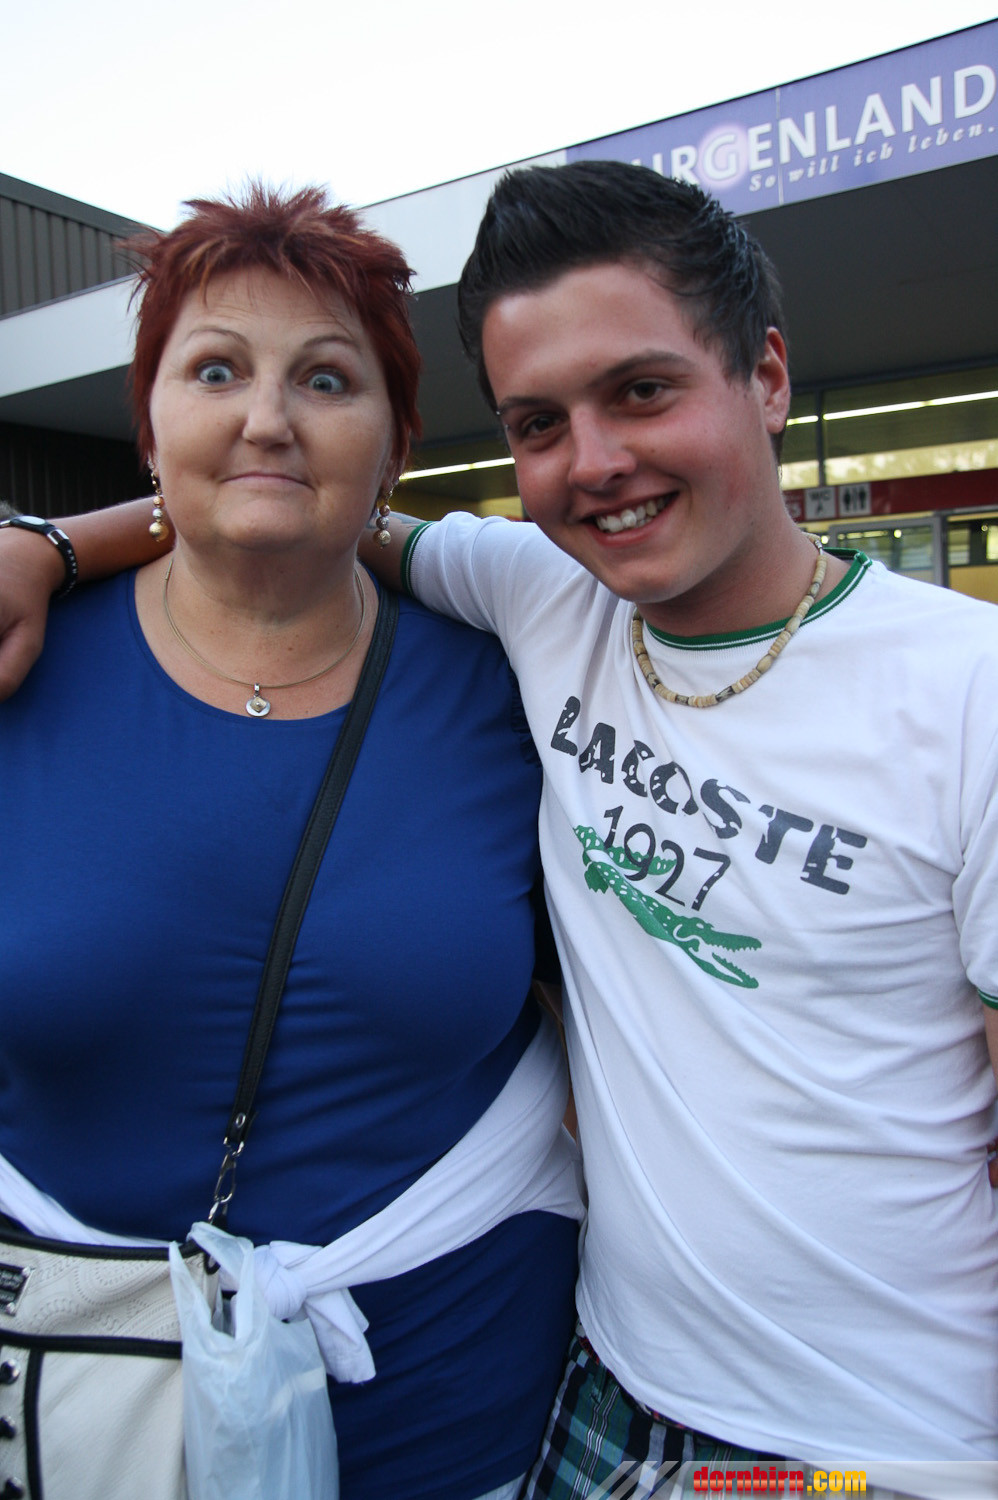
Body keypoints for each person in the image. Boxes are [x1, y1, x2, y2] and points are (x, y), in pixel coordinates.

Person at [2, 161, 998, 1488]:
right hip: (603, 1399)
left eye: (642, 391)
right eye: (539, 422)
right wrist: (50, 543)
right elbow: (281, 505)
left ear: (766, 378)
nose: (597, 462)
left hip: (884, 1441)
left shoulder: (966, 691)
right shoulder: (543, 596)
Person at [0, 184, 582, 1500]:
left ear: (395, 445)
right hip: (80, 1385)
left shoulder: (520, 679)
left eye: (327, 378)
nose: (267, 418)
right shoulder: (18, 658)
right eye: (216, 371)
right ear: (150, 423)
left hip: (451, 1386)